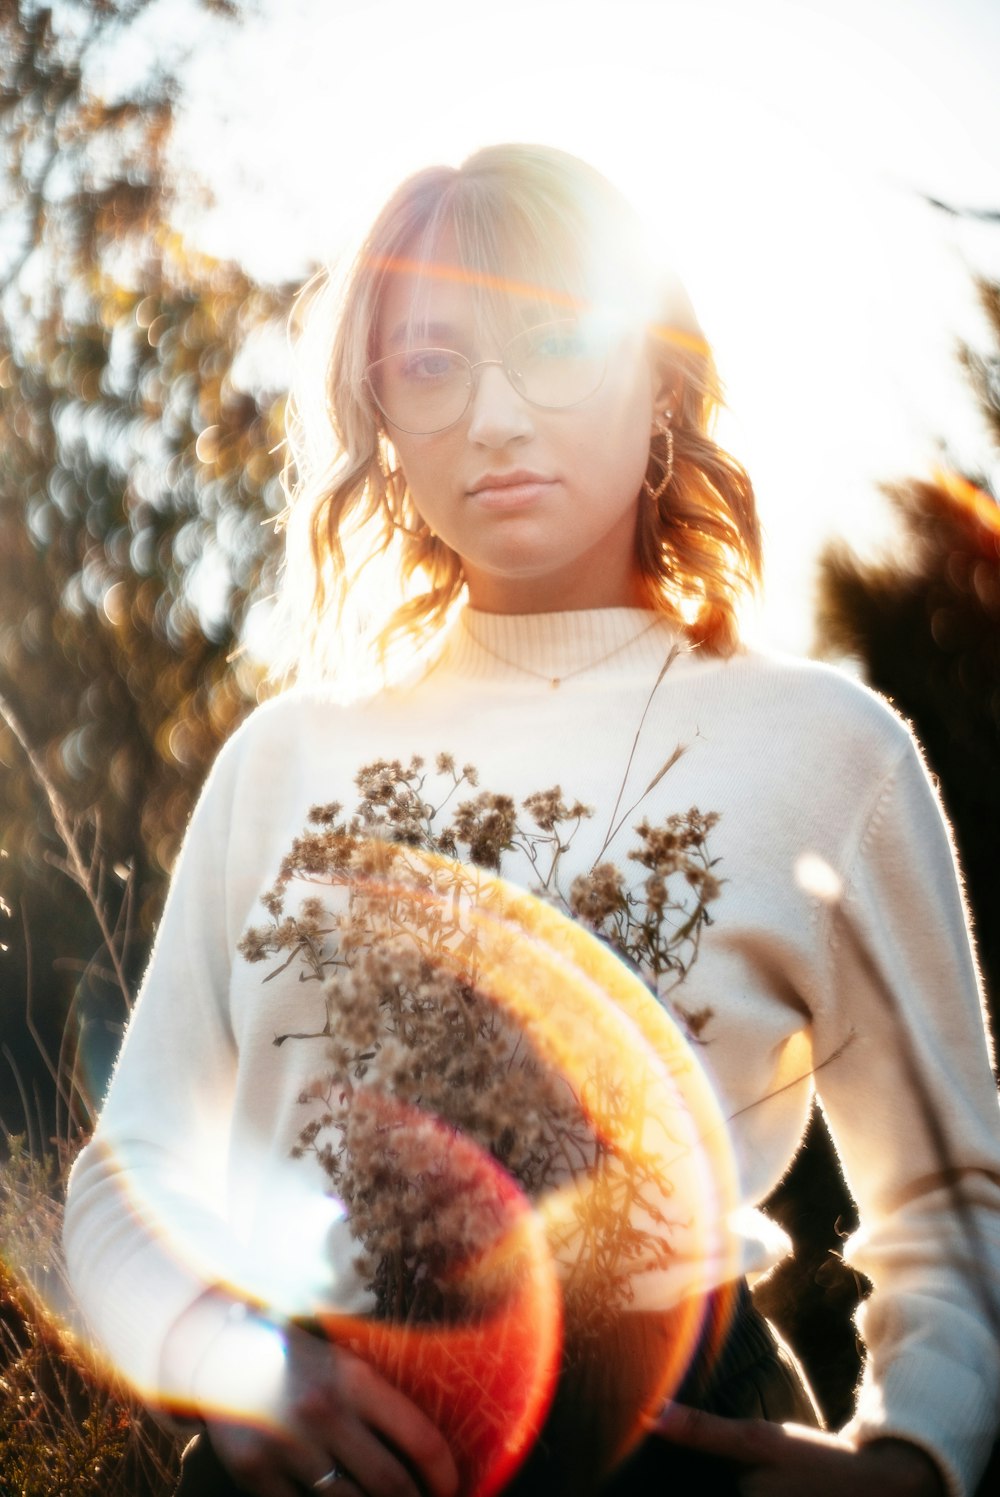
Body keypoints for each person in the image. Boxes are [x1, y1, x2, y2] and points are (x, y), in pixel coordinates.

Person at [64, 144, 1000, 1497]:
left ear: (662, 378)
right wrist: (234, 1360)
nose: (495, 416)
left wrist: (914, 1457)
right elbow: (129, 1174)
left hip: (670, 1450)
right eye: (434, 366)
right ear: (381, 416)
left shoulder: (826, 753)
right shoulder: (285, 758)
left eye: (555, 339)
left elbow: (955, 1195)